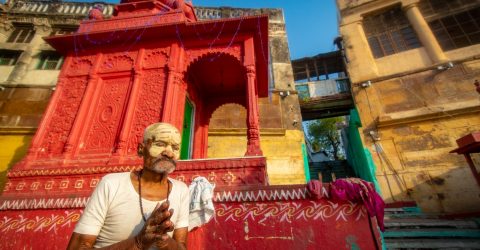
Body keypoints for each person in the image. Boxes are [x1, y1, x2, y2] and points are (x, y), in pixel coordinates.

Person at [67, 123, 189, 250]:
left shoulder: (181, 190)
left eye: (175, 147)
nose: (169, 153)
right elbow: (77, 247)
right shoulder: (111, 184)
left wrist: (163, 240)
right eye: (159, 144)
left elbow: (181, 247)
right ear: (141, 149)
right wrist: (138, 243)